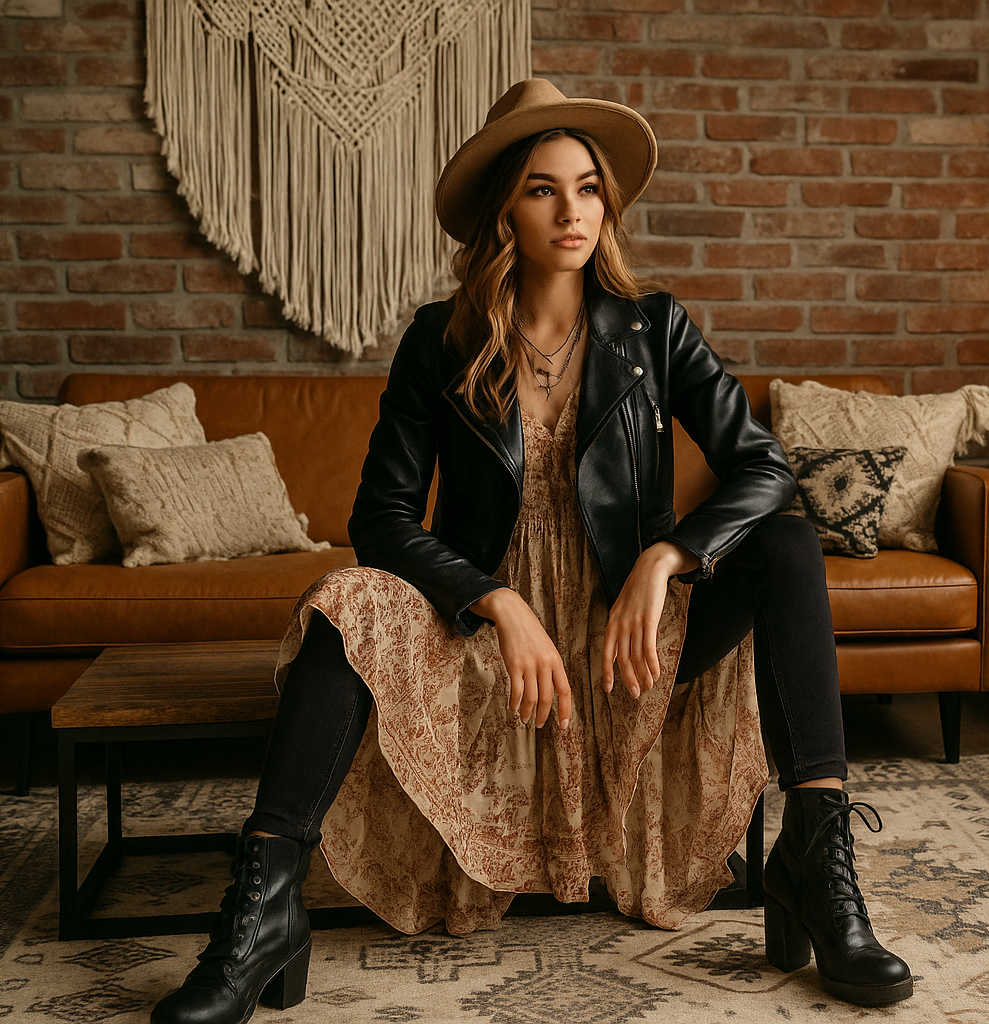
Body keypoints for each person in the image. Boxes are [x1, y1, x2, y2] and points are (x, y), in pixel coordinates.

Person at [151, 79, 913, 1024]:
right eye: (545, 188)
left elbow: (764, 471)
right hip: (487, 645)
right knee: (344, 601)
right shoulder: (442, 338)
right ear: (505, 207)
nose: (573, 210)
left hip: (625, 646)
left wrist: (668, 557)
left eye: (588, 187)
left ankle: (818, 857)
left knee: (789, 545)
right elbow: (383, 517)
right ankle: (262, 912)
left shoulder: (654, 329)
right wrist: (495, 602)